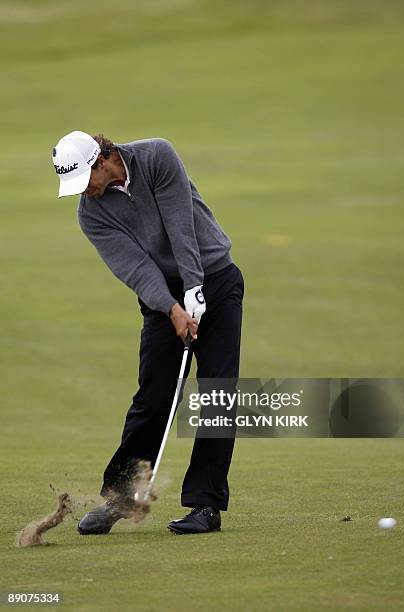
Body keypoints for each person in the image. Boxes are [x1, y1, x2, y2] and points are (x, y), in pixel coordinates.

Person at [51, 130, 244, 535]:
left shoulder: (157, 156)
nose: (84, 192)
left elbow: (181, 225)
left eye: (85, 180)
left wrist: (195, 286)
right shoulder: (91, 213)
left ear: (102, 160)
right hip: (161, 300)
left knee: (217, 393)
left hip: (216, 278)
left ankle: (205, 505)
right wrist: (174, 308)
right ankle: (120, 498)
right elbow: (137, 268)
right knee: (153, 398)